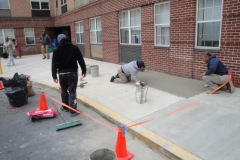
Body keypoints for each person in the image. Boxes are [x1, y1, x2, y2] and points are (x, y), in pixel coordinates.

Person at [52, 34, 86, 117]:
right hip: (72, 74)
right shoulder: (74, 48)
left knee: (63, 90)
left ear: (59, 41)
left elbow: (54, 64)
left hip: (62, 74)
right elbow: (81, 60)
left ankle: (65, 107)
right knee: (72, 91)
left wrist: (54, 76)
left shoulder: (57, 50)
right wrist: (84, 70)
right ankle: (73, 110)